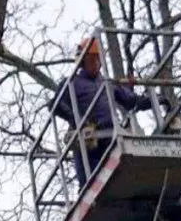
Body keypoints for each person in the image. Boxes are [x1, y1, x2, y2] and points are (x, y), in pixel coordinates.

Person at [52, 38, 164, 187]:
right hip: (89, 141)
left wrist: (157, 100)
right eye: (91, 59)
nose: (96, 63)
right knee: (89, 184)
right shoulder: (72, 83)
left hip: (111, 136)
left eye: (98, 59)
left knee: (125, 175)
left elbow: (131, 101)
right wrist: (78, 122)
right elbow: (55, 105)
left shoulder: (106, 83)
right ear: (82, 61)